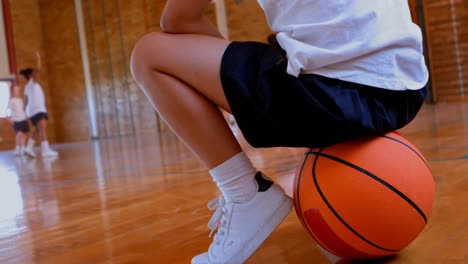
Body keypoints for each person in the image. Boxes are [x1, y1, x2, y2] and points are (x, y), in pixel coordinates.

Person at [130, 1, 428, 263]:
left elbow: (178, 20)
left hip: (335, 93)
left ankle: (245, 193)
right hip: (405, 86)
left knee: (149, 55)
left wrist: (225, 91)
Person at [21, 52, 58, 158]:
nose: (36, 74)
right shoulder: (32, 83)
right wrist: (38, 58)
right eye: (33, 73)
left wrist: (24, 112)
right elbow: (38, 70)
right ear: (30, 75)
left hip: (32, 112)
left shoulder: (28, 87)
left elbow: (25, 101)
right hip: (38, 110)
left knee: (38, 130)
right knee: (42, 129)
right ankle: (45, 150)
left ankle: (28, 148)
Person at [7, 84, 36, 158]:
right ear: (12, 92)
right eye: (15, 90)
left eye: (17, 90)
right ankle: (17, 148)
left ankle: (23, 148)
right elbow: (8, 110)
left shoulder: (20, 100)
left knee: (24, 134)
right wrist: (9, 118)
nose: (16, 92)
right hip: (16, 120)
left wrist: (26, 116)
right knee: (19, 134)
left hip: (23, 119)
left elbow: (23, 109)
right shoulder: (11, 101)